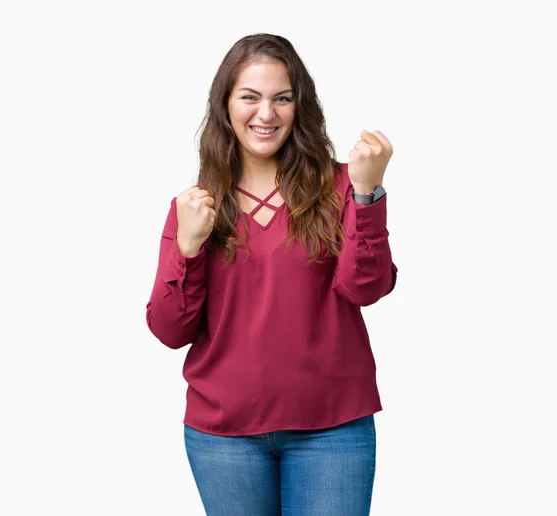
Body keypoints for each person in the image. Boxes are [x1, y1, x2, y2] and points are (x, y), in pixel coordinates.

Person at [145, 33, 398, 516]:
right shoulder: (196, 206)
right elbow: (169, 329)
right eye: (250, 97)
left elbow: (365, 287)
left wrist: (367, 194)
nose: (267, 114)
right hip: (223, 436)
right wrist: (189, 246)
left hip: (333, 429)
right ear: (225, 106)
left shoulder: (342, 184)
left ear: (299, 106)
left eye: (282, 98)